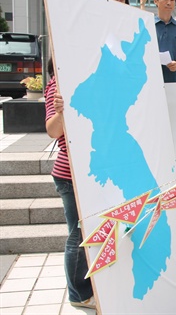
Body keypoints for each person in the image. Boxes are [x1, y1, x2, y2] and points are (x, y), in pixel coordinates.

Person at [45, 59, 95, 310]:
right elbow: (53, 131)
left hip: (93, 170)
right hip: (70, 174)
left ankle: (88, 286)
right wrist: (60, 111)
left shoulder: (89, 77)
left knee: (89, 230)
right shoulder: (57, 86)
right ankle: (79, 294)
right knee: (79, 233)